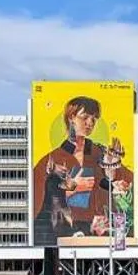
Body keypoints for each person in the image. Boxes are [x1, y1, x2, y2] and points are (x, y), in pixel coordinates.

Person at [32, 96, 104, 242]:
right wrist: (72, 189)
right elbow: (37, 193)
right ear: (71, 118)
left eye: (94, 119)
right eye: (85, 117)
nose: (90, 123)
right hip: (59, 229)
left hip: (93, 228)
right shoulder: (52, 158)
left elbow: (116, 183)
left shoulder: (100, 153)